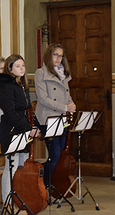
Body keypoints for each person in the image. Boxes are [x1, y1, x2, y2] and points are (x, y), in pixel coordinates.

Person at [0, 54, 42, 204]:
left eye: (23, 66)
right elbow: (10, 112)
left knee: (22, 166)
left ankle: (20, 199)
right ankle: (8, 203)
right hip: (11, 130)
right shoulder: (6, 86)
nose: (22, 69)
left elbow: (28, 109)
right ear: (10, 68)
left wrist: (37, 126)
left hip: (24, 129)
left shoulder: (21, 85)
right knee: (11, 167)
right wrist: (29, 127)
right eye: (18, 66)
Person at [34, 42, 76, 186]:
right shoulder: (40, 73)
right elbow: (43, 99)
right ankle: (43, 185)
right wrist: (64, 107)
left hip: (62, 119)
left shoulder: (62, 74)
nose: (58, 58)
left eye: (61, 56)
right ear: (49, 55)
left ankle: (52, 185)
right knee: (55, 155)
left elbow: (67, 95)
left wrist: (71, 105)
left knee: (60, 156)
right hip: (47, 119)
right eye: (55, 55)